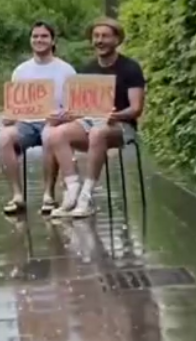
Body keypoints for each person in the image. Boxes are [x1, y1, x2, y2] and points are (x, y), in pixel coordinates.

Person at [43, 17, 146, 219]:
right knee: (56, 134)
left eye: (105, 36)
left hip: (120, 125)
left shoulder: (130, 68)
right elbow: (81, 109)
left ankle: (87, 197)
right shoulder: (87, 69)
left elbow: (136, 109)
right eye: (96, 36)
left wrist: (115, 114)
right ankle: (72, 190)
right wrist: (64, 116)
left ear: (117, 40)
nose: (99, 40)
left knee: (98, 133)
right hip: (91, 122)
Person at [0, 20, 76, 216]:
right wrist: (9, 116)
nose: (39, 40)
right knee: (4, 138)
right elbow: (14, 106)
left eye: (44, 36)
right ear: (30, 40)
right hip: (26, 123)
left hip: (54, 122)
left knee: (51, 135)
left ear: (52, 41)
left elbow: (75, 106)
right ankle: (17, 196)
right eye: (35, 36)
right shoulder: (21, 71)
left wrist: (63, 116)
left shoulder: (66, 70)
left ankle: (48, 194)